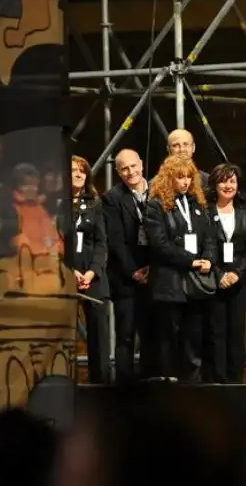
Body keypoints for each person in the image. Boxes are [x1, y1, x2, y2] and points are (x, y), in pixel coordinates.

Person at [144, 155, 215, 382]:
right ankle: (169, 385)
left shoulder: (198, 202)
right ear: (168, 178)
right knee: (168, 339)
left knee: (193, 338)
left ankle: (192, 385)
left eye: (188, 178)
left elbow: (210, 238)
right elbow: (160, 245)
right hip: (169, 284)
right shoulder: (155, 205)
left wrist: (208, 259)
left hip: (196, 284)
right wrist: (190, 261)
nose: (185, 182)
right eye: (180, 177)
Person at [101, 149, 154, 381]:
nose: (130, 172)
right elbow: (116, 240)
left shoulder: (158, 191)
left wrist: (153, 268)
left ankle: (150, 385)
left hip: (155, 276)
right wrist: (134, 271)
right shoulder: (111, 198)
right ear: (118, 172)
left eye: (133, 166)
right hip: (126, 279)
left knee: (151, 335)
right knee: (125, 336)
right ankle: (123, 389)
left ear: (141, 164)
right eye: (124, 168)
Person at [205, 163, 246, 383]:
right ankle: (217, 379)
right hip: (213, 279)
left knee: (237, 331)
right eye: (223, 181)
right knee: (215, 331)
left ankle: (236, 379)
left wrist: (237, 273)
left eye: (232, 181)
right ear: (214, 184)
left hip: (239, 280)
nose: (228, 186)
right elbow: (203, 246)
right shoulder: (205, 212)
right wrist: (219, 275)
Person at [68, 156, 110, 385]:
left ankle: (100, 385)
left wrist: (92, 271)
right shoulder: (56, 203)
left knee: (99, 333)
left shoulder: (94, 202)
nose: (78, 174)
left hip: (93, 277)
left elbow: (101, 242)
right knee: (64, 333)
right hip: (65, 275)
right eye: (73, 170)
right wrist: (70, 270)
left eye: (82, 171)